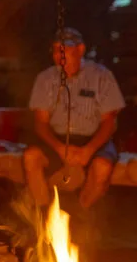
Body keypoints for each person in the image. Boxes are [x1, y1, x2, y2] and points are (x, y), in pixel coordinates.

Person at [23, 28, 125, 214]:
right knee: (31, 157)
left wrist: (89, 150)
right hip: (57, 139)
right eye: (55, 51)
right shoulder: (45, 79)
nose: (59, 57)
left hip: (93, 139)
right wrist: (59, 147)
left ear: (80, 50)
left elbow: (109, 123)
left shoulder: (102, 76)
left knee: (102, 167)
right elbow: (41, 122)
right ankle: (44, 216)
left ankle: (81, 213)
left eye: (65, 51)